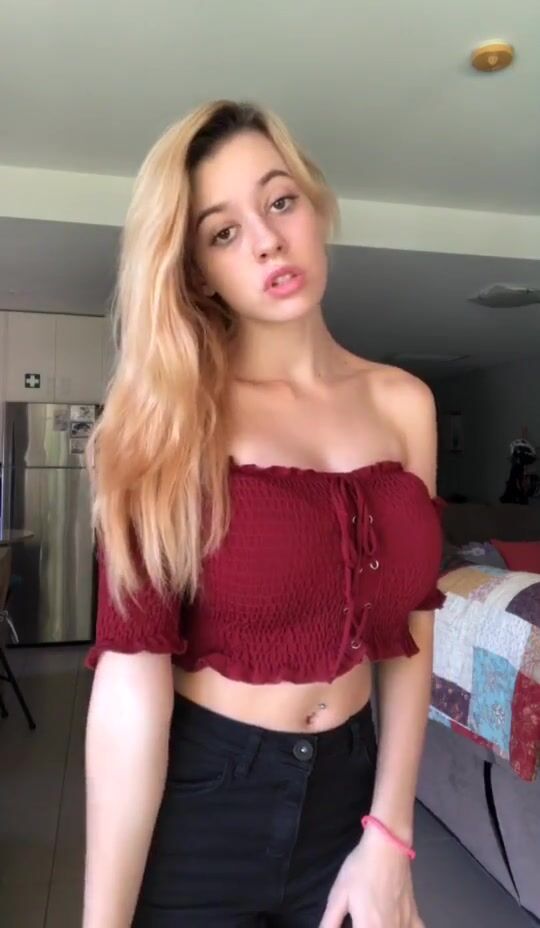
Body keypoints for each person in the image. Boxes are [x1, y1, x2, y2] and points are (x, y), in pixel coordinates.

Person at [83, 100, 445, 928]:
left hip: (352, 801)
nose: (267, 241)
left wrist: (391, 835)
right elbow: (132, 685)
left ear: (315, 207)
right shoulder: (164, 421)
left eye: (280, 202)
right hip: (203, 802)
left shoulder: (405, 404)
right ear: (197, 270)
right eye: (223, 232)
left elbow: (412, 630)